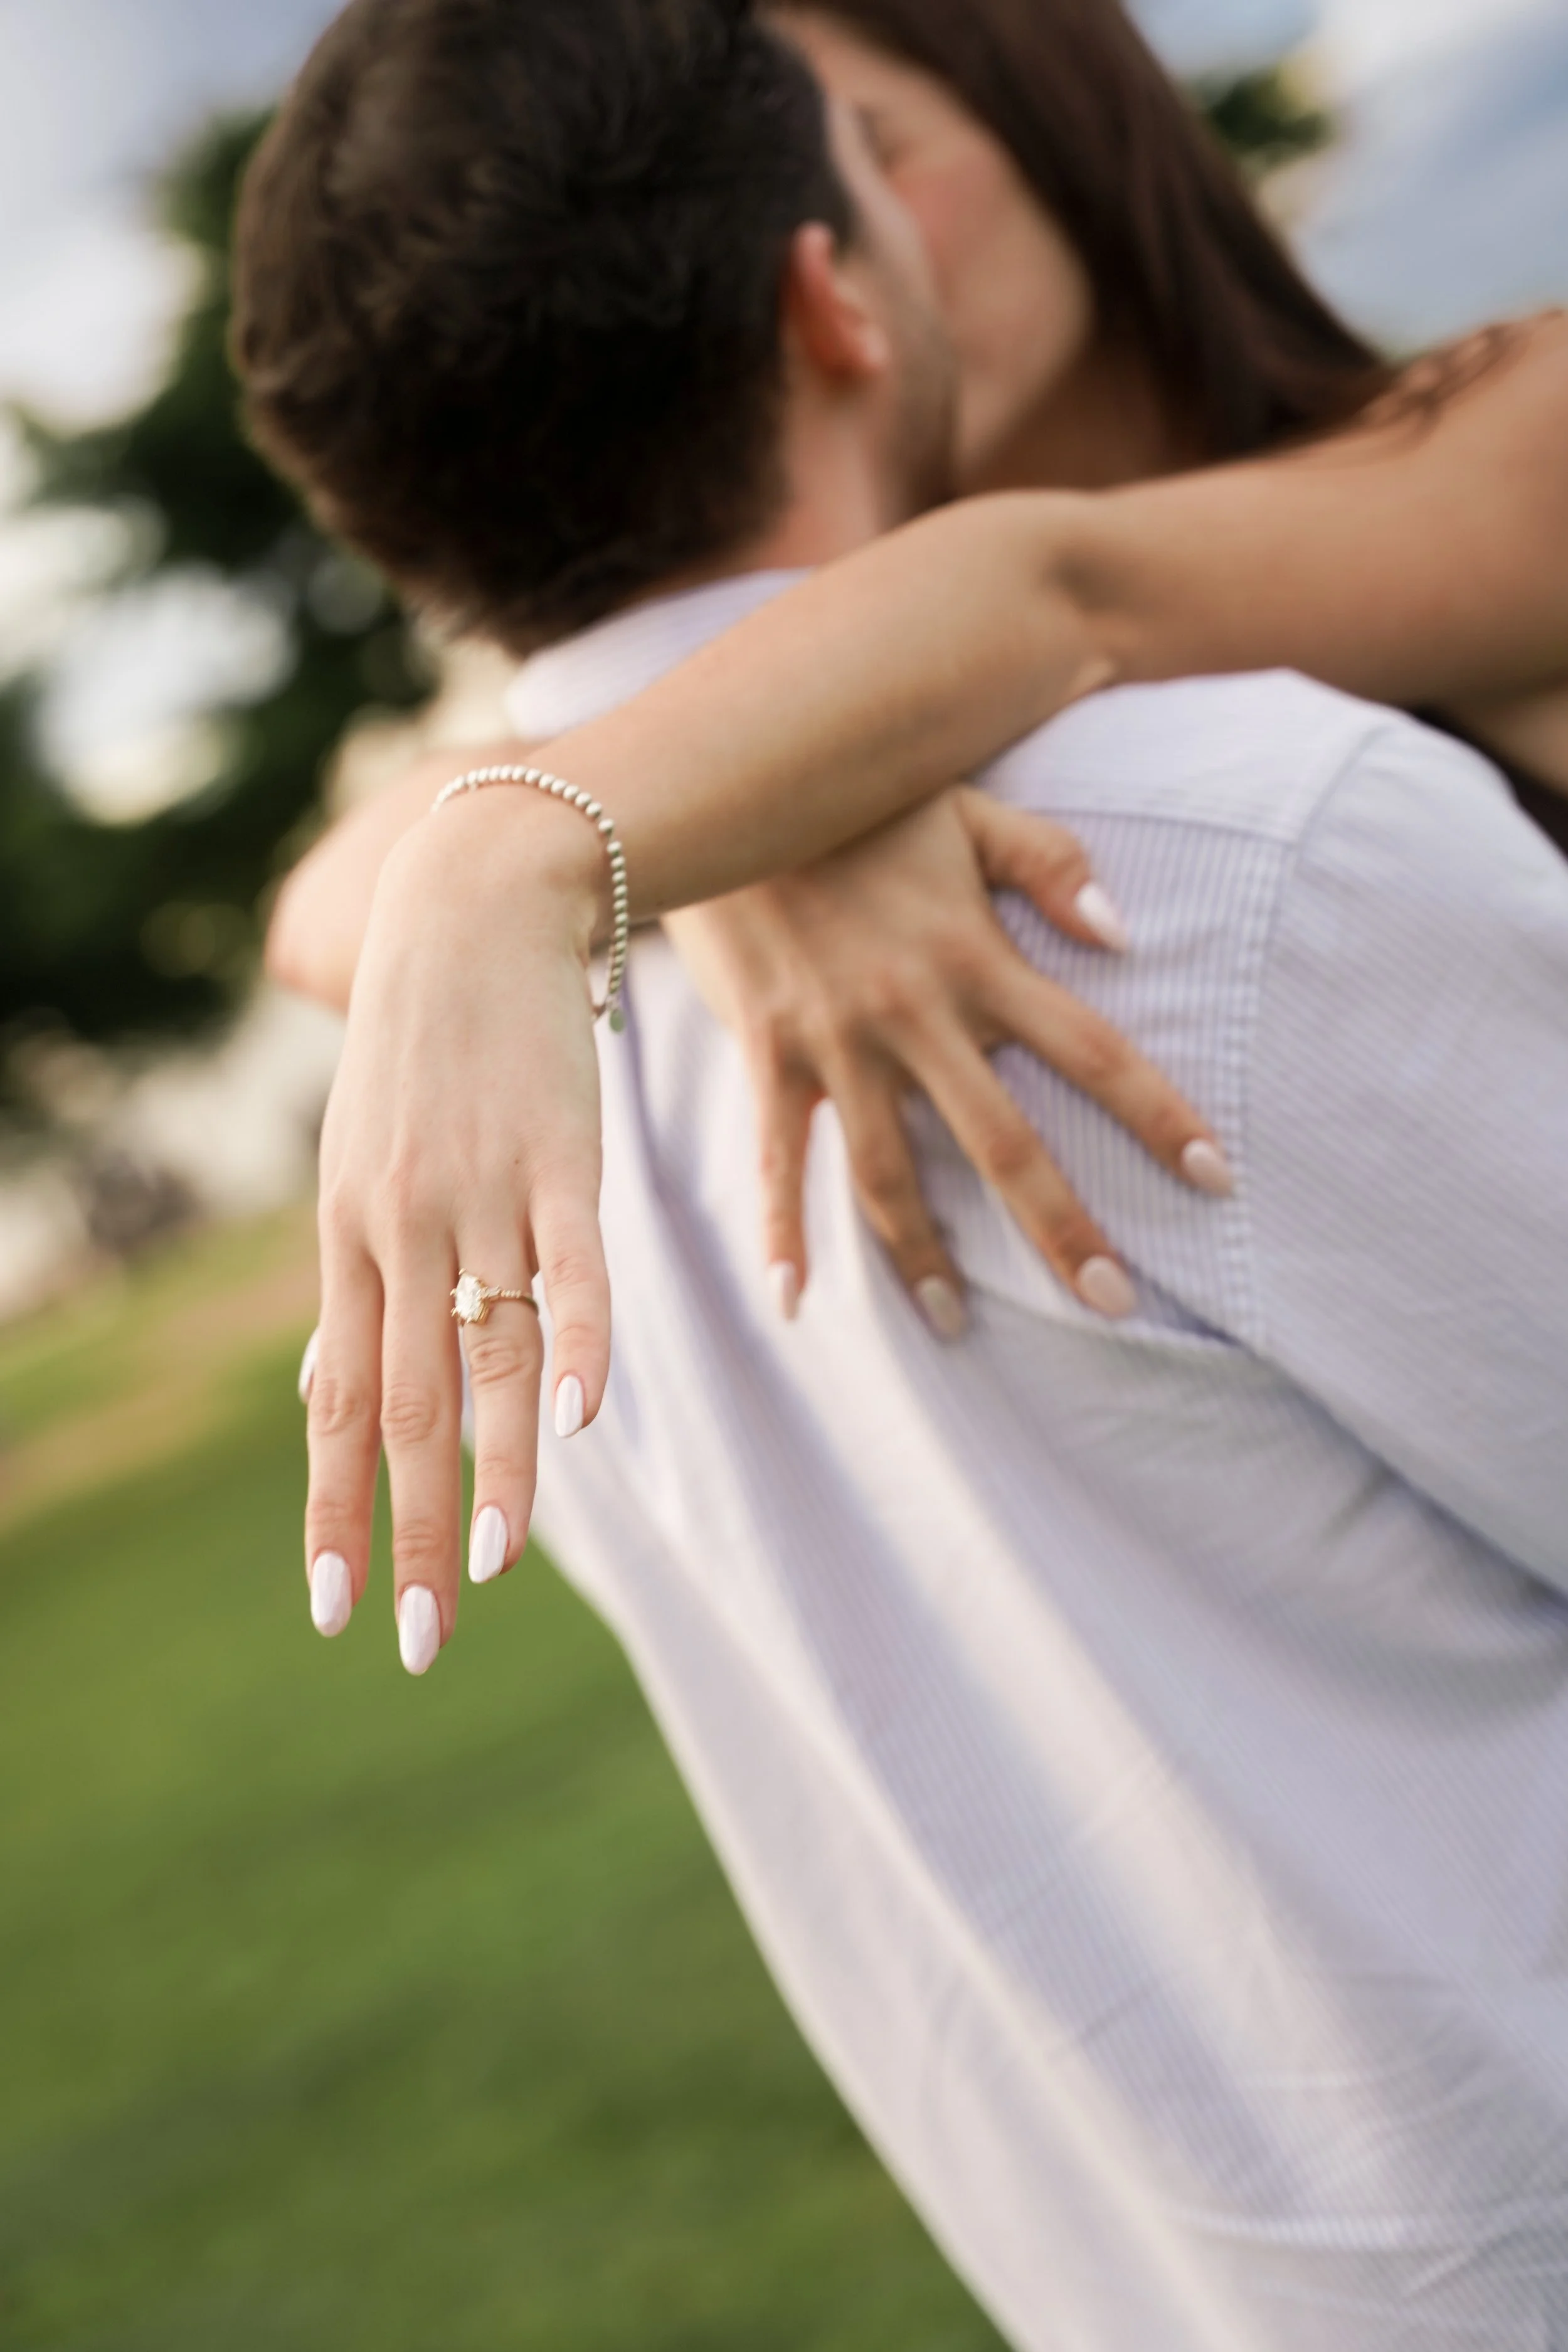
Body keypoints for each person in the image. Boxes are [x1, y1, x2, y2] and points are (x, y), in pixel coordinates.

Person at [238, 1, 1568, 2344]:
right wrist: (637, 838)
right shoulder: (1210, 855)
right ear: (831, 288)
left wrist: (570, 844)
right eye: (832, 155)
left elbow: (1049, 595)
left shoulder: (544, 1030)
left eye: (875, 119)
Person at [257, 0, 1568, 1363]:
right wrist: (716, 836)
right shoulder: (824, 706)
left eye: (870, 149)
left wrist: (566, 842)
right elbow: (318, 904)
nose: (804, 226)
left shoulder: (1518, 418)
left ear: (1053, 116)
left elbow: (1058, 590)